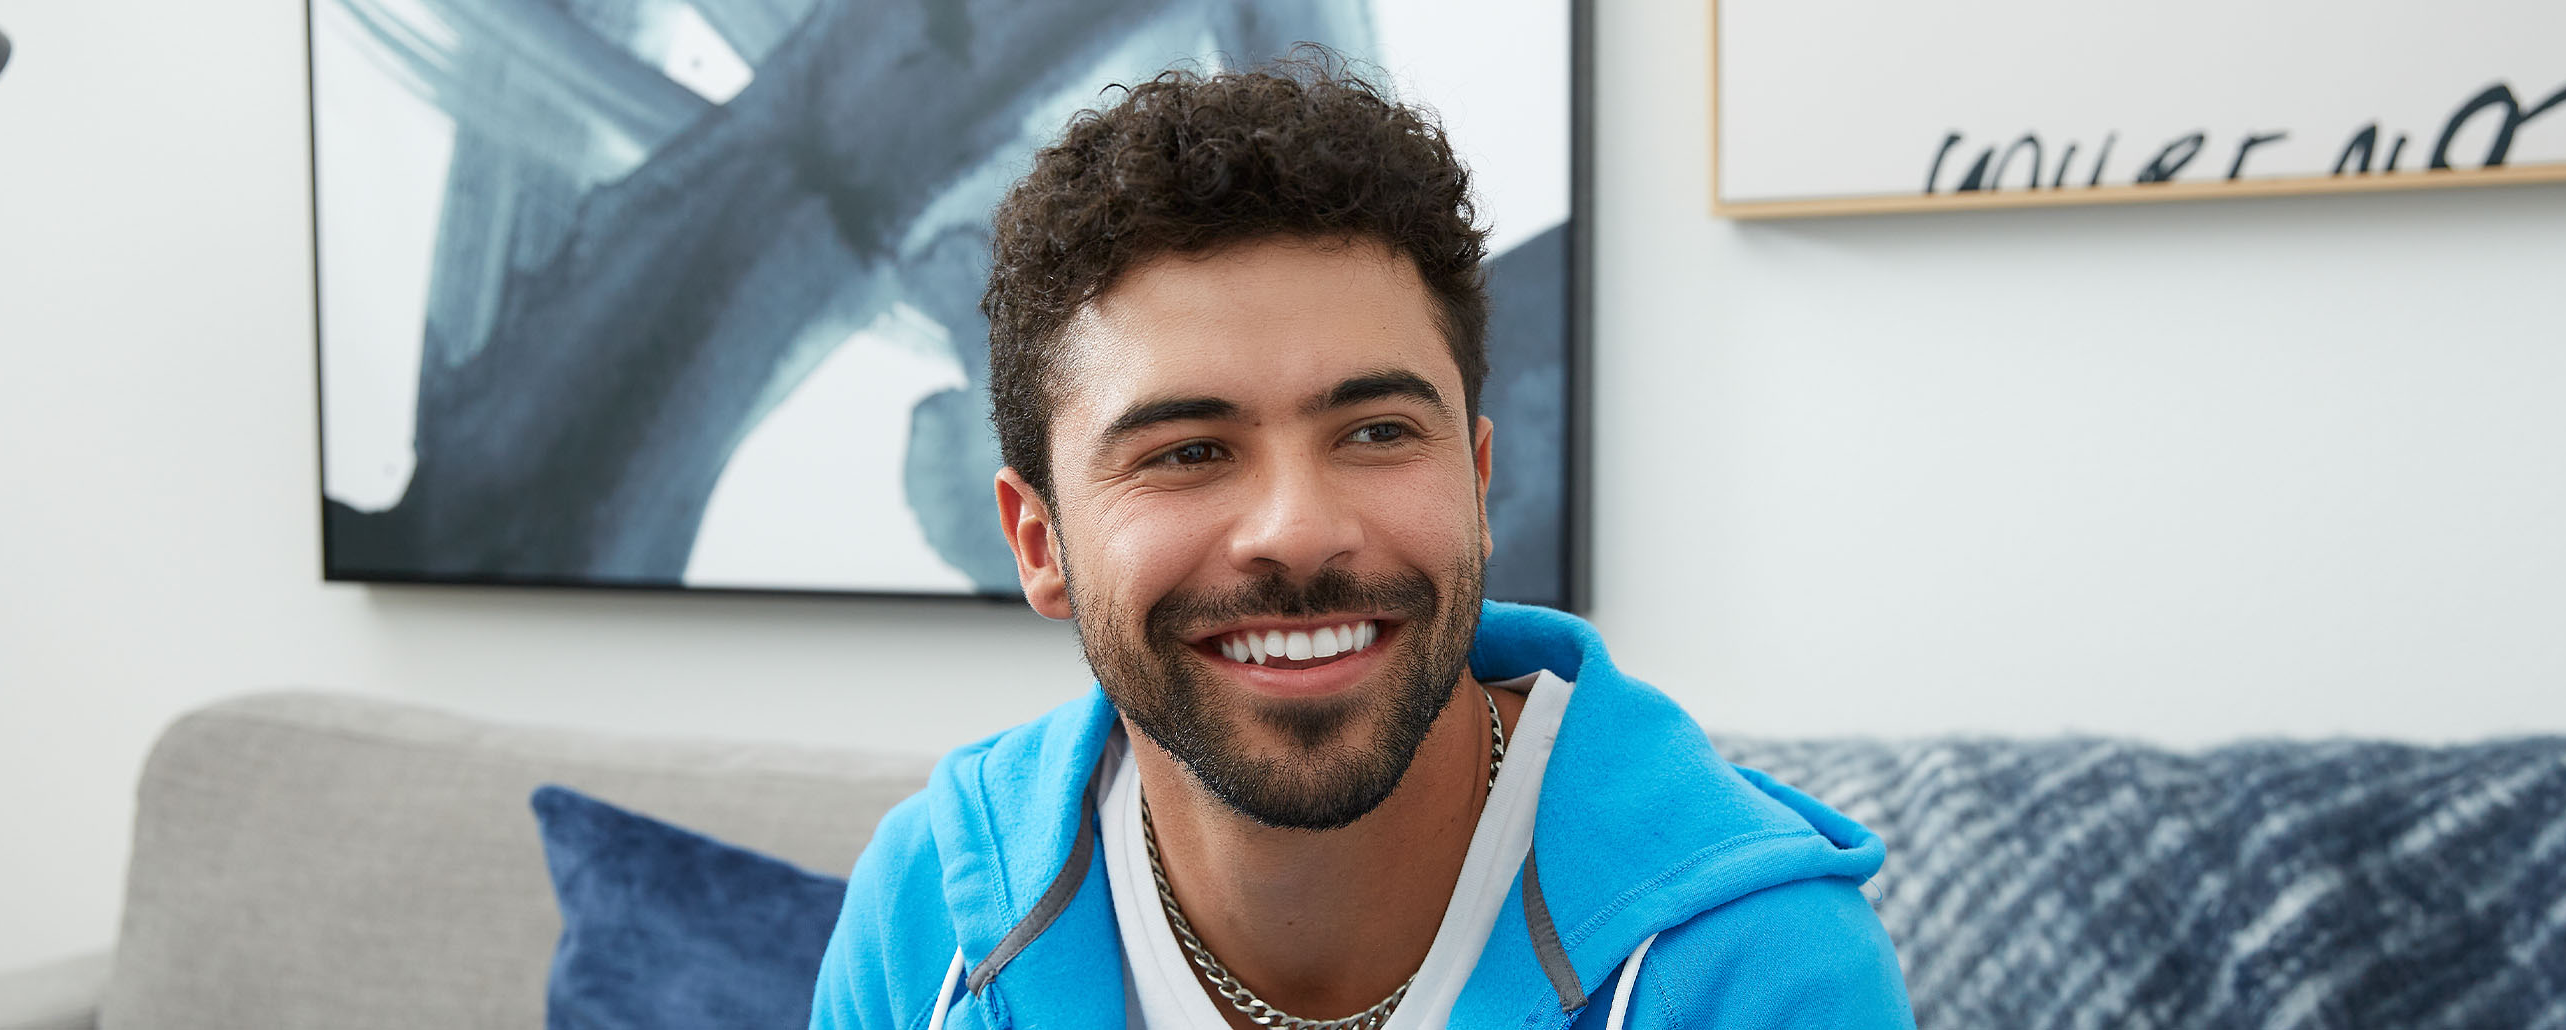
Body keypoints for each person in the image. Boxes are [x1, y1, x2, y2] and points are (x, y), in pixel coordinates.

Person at [811, 53, 1914, 1030]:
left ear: (1476, 483)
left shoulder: (1763, 973)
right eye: (1189, 450)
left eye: (1377, 431)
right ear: (1038, 540)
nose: (1298, 528)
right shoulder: (927, 921)